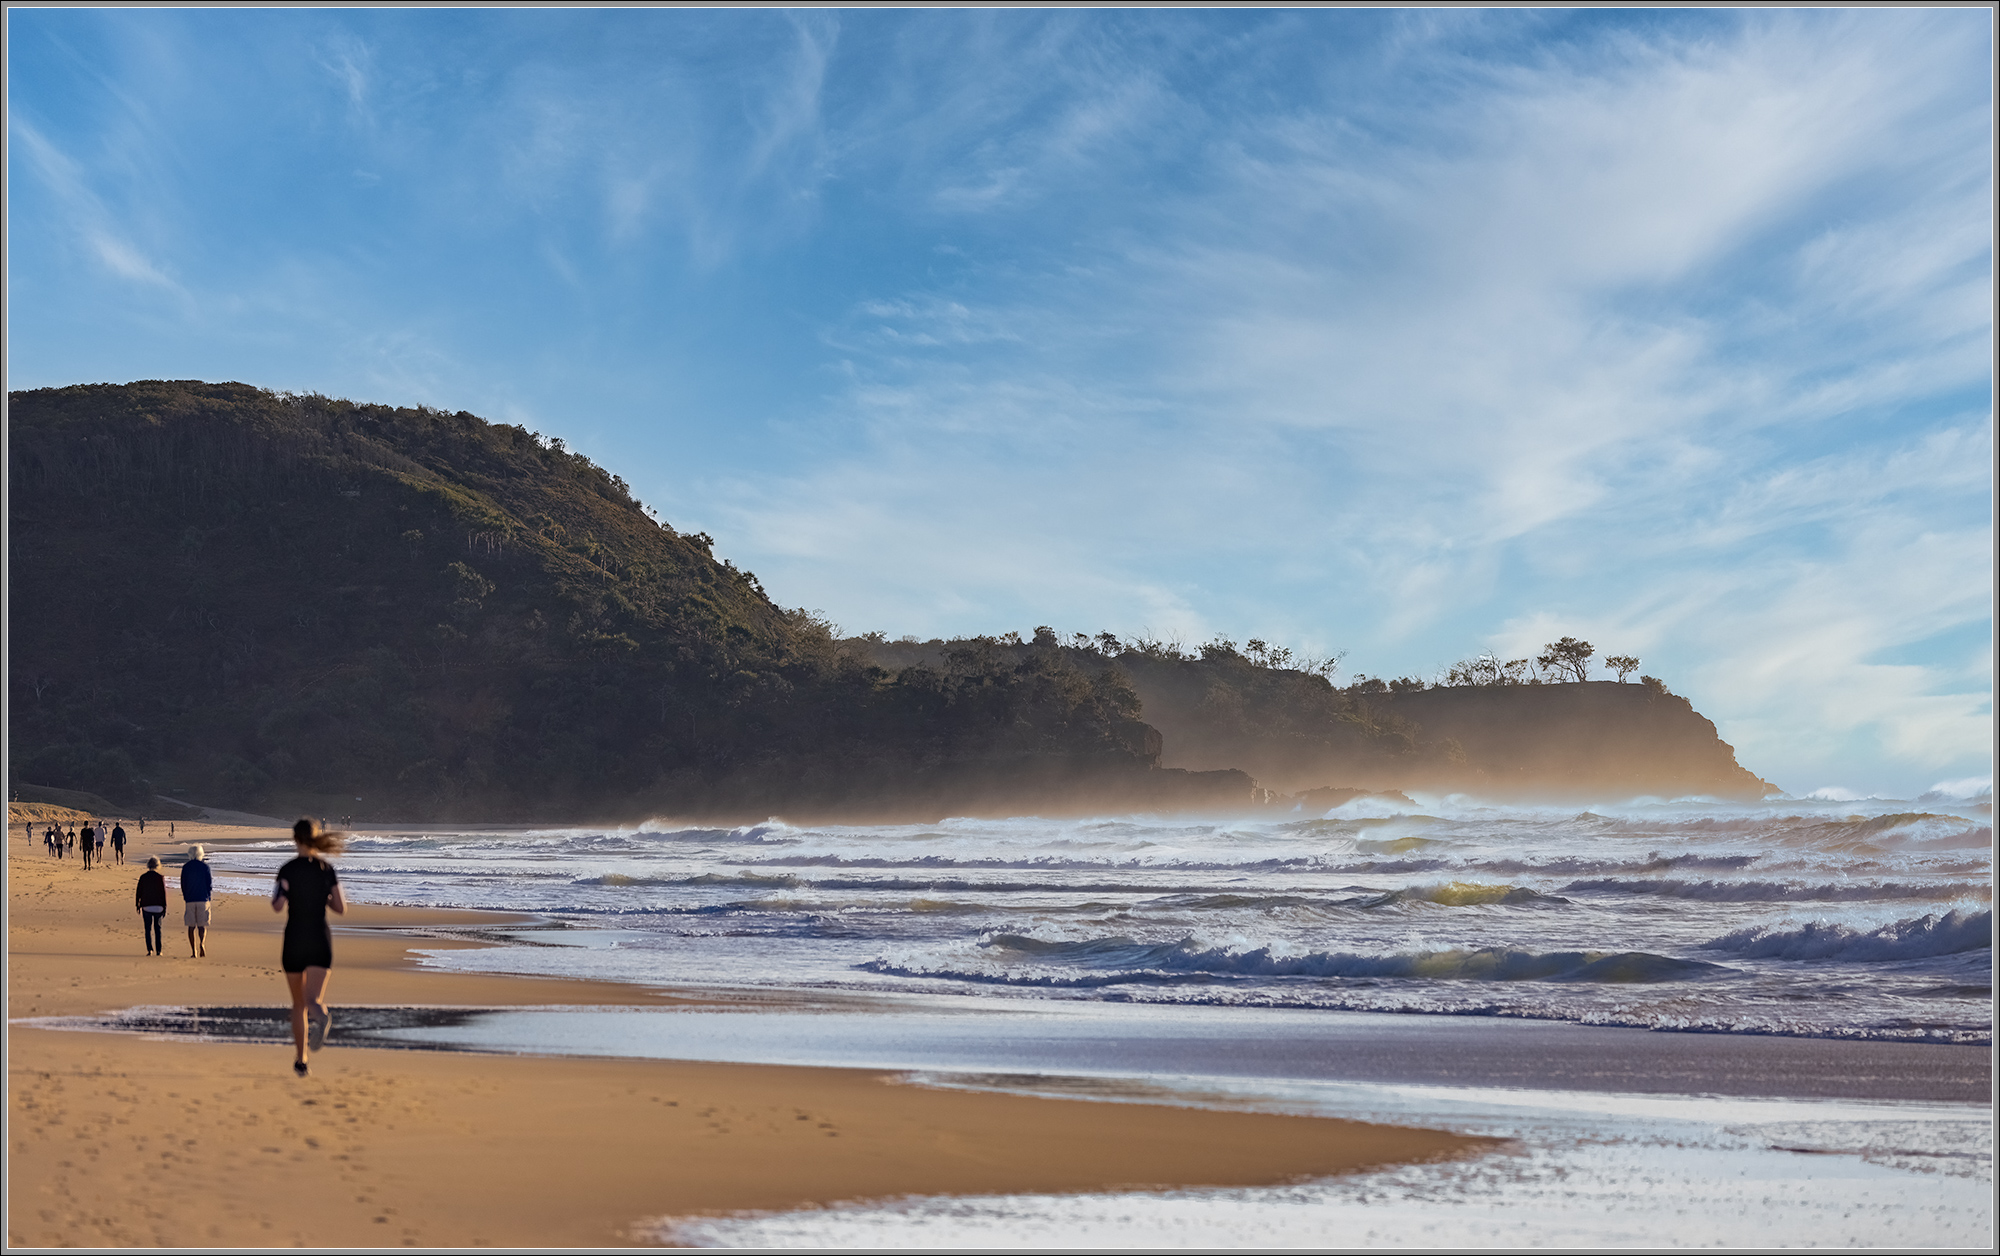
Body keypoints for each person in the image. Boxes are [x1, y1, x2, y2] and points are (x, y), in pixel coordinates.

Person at [271, 818, 346, 1075]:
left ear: (295, 839)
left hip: (295, 938)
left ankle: (301, 1060)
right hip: (319, 938)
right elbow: (341, 908)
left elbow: (276, 906)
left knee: (298, 1004)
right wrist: (323, 898)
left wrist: (287, 892)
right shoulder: (326, 869)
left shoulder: (287, 870)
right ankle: (321, 1015)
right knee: (313, 1000)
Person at [181, 844, 214, 957]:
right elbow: (209, 884)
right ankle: (202, 944)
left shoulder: (186, 867)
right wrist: (208, 897)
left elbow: (183, 884)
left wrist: (185, 896)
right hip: (202, 898)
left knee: (191, 927)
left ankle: (193, 951)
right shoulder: (205, 867)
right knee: (202, 925)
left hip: (190, 899)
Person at [136, 857, 169, 955]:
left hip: (146, 905)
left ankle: (150, 949)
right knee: (158, 929)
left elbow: (138, 892)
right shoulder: (160, 877)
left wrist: (137, 904)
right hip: (158, 906)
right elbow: (163, 893)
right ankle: (159, 950)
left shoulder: (143, 877)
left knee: (148, 929)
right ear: (157, 865)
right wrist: (164, 907)